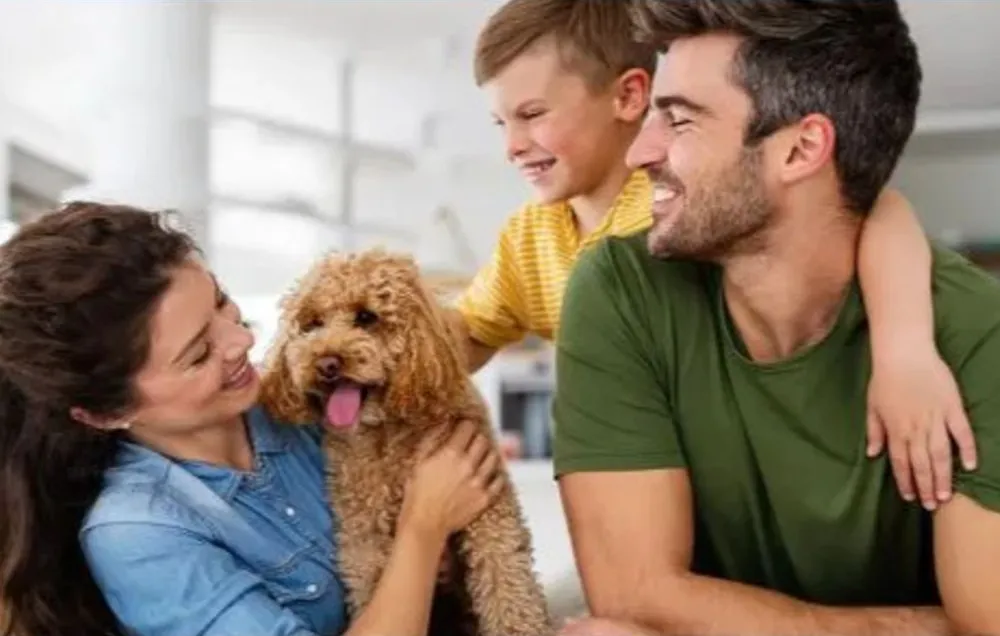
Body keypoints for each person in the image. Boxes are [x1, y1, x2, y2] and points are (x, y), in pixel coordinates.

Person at [553, 1, 1000, 634]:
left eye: (679, 120)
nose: (640, 153)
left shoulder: (975, 330)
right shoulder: (622, 290)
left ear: (802, 149)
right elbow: (632, 595)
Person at [451, 0, 973, 505]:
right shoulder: (528, 240)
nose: (512, 145)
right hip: (645, 483)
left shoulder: (687, 202)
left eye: (532, 114)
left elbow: (879, 212)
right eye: (502, 123)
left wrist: (903, 352)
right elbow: (465, 333)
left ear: (630, 97)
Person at [0, 202, 503, 636]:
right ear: (108, 413)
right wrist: (424, 528)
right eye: (199, 354)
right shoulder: (137, 534)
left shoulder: (302, 401)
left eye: (220, 301)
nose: (240, 342)